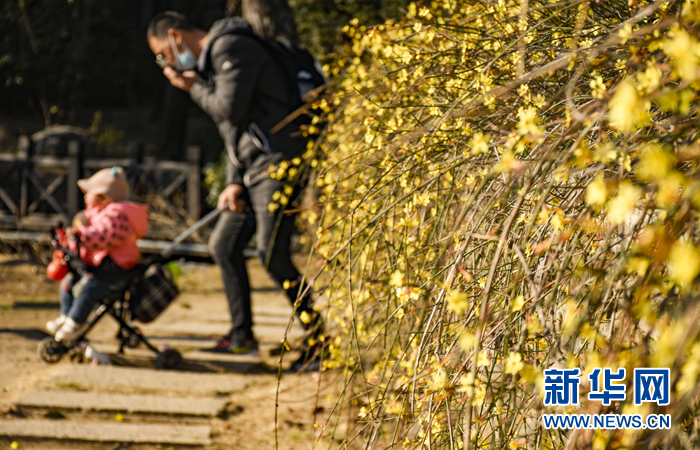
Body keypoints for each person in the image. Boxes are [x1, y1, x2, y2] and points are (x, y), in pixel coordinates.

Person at [146, 12, 321, 369]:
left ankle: (319, 340)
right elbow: (233, 131)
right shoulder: (216, 61)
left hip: (278, 163)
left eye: (163, 54)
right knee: (224, 245)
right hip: (255, 167)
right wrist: (233, 181)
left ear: (176, 37)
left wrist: (191, 86)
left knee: (273, 256)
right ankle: (242, 338)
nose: (167, 63)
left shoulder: (232, 47)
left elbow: (229, 108)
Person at [46, 167, 149, 343]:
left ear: (104, 198)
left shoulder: (117, 216)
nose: (85, 197)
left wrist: (80, 235)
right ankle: (66, 317)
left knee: (89, 288)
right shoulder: (96, 215)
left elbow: (102, 238)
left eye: (89, 193)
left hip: (114, 274)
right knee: (69, 281)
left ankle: (74, 323)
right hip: (102, 270)